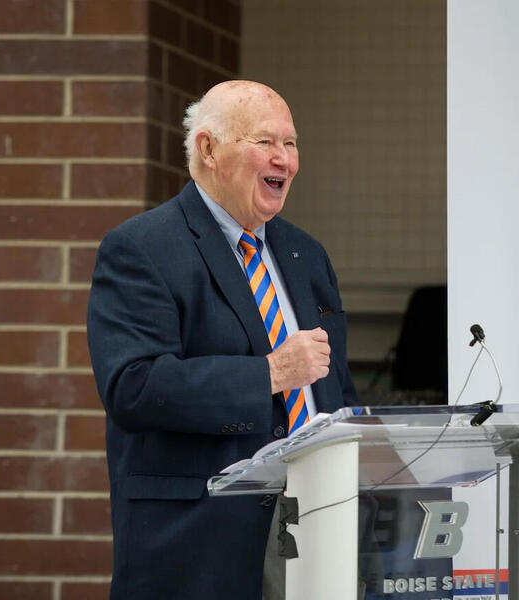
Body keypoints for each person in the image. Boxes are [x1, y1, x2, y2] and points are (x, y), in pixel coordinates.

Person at [87, 80, 357, 599]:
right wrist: (271, 373)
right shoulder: (142, 248)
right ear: (209, 149)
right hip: (198, 546)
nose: (285, 159)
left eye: (292, 143)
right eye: (265, 142)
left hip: (320, 533)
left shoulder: (306, 254)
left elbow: (336, 391)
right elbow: (134, 386)